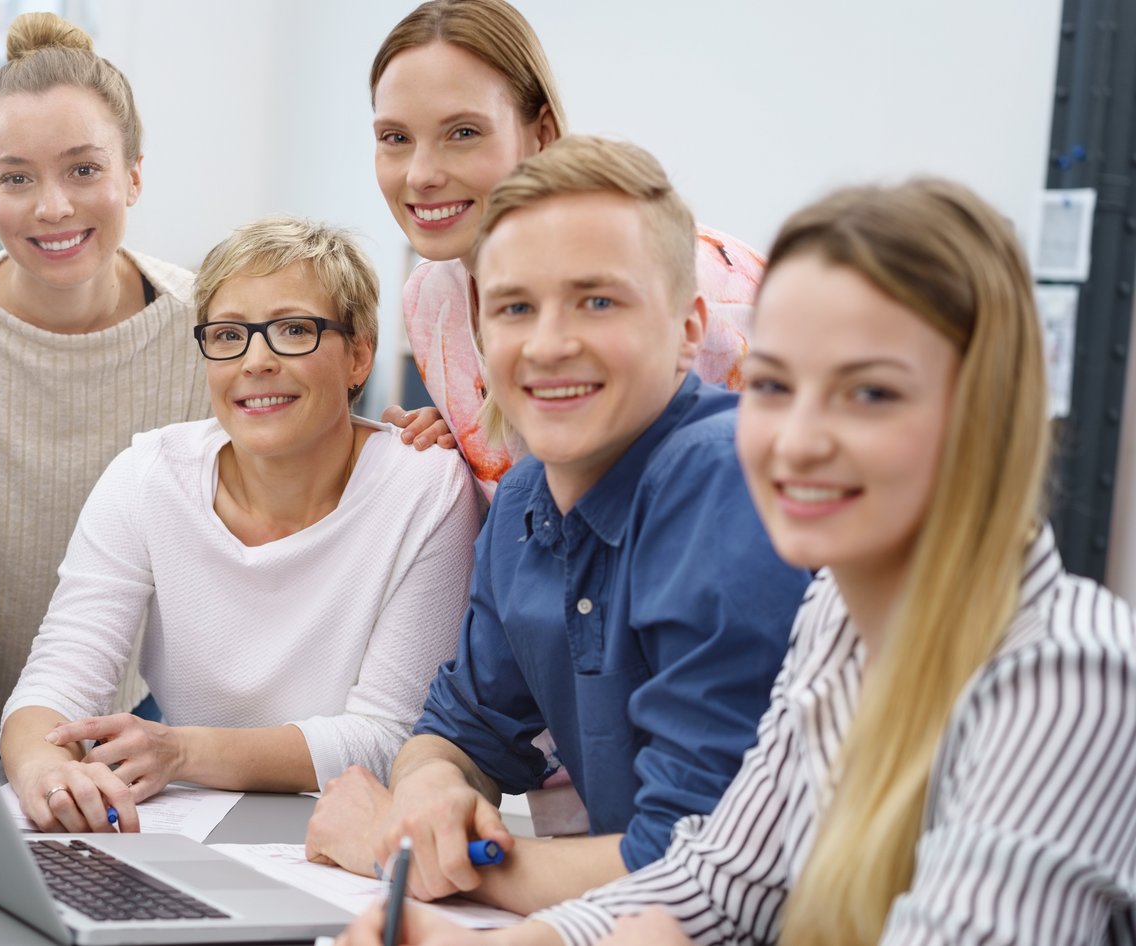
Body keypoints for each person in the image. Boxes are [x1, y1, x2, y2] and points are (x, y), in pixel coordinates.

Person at [339, 179, 1136, 945]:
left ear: (985, 410)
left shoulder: (1067, 667)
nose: (799, 439)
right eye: (775, 386)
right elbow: (724, 879)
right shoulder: (841, 616)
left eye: (870, 395)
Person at [305, 136, 809, 912]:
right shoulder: (524, 497)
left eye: (598, 301)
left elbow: (693, 866)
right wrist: (430, 797)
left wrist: (395, 844)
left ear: (687, 330)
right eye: (514, 307)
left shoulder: (728, 477)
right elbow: (461, 728)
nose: (548, 344)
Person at [0, 217, 480, 833]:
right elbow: (59, 676)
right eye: (228, 335)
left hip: (345, 834)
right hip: (184, 823)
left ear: (359, 354)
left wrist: (183, 751)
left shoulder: (427, 489)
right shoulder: (148, 474)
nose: (255, 361)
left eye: (293, 330)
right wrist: (44, 767)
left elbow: (391, 740)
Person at [0, 12, 210, 754]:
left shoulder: (205, 327)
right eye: (16, 177)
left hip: (145, 715)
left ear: (133, 175)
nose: (51, 206)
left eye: (83, 169)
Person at [369, 0, 763, 497]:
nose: (421, 175)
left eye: (463, 132)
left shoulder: (688, 281)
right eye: (396, 137)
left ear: (542, 135)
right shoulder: (433, 302)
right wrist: (456, 459)